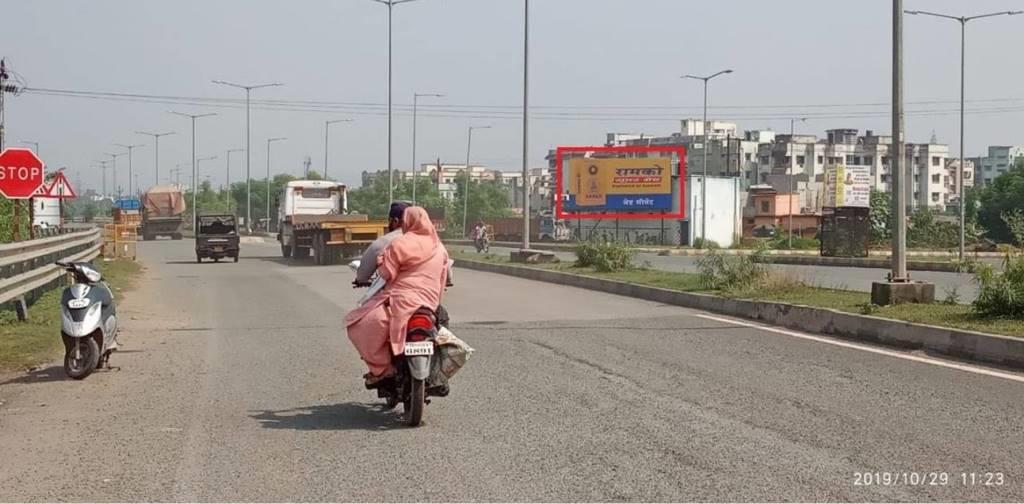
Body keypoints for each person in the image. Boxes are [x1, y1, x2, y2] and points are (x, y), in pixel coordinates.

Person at [345, 207, 450, 385]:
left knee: (358, 324)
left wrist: (382, 262)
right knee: (442, 327)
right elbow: (445, 274)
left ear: (405, 222)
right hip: (430, 304)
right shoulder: (439, 247)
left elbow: (386, 274)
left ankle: (383, 369)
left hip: (400, 301)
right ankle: (440, 374)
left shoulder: (399, 244)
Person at [354, 202, 408, 286]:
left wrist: (361, 280)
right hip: (428, 295)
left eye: (389, 220)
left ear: (395, 221)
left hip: (396, 294)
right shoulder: (425, 242)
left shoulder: (383, 242)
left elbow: (362, 276)